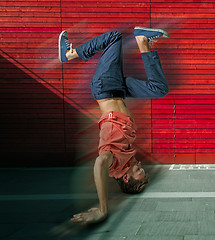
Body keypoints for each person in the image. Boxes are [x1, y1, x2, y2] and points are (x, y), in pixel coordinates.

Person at [58, 26, 169, 224]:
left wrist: (103, 209)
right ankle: (143, 42)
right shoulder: (124, 155)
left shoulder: (113, 161)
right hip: (118, 90)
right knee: (159, 89)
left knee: (113, 37)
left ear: (126, 178)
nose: (141, 165)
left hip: (106, 87)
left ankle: (69, 54)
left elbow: (99, 163)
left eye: (139, 172)